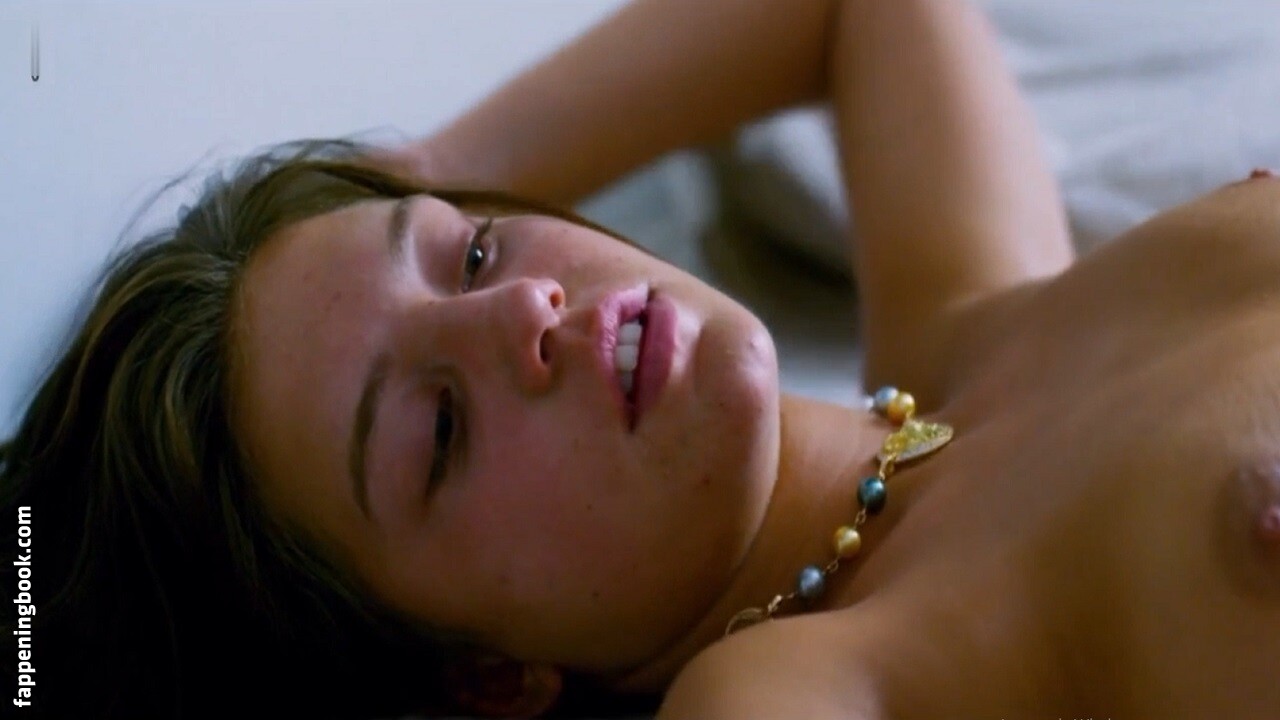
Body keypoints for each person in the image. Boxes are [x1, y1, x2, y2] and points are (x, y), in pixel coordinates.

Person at [3, 0, 1278, 717]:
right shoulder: (816, 684)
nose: (525, 309)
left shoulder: (974, 322)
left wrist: (424, 168)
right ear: (488, 678)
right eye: (438, 431)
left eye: (473, 254)